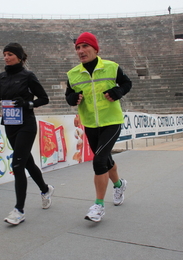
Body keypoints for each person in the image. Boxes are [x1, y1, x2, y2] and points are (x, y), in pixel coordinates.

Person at [65, 32, 132, 222]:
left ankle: (98, 206)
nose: (81, 51)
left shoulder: (112, 67)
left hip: (111, 121)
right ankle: (119, 184)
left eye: (85, 46)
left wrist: (118, 91)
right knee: (105, 159)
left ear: (95, 49)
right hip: (90, 124)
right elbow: (69, 95)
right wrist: (73, 98)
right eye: (78, 47)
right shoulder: (73, 74)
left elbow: (127, 83)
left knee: (99, 160)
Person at [0, 43, 54, 225]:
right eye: (4, 54)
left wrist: (27, 104)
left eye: (10, 54)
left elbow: (44, 98)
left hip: (26, 124)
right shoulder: (0, 77)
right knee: (27, 162)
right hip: (9, 125)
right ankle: (45, 189)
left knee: (17, 165)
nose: (6, 57)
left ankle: (19, 210)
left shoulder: (28, 76)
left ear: (19, 56)